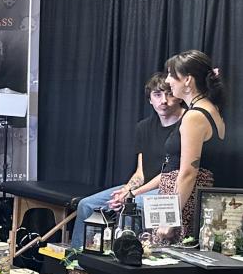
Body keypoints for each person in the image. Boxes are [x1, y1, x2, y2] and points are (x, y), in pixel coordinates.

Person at [70, 73, 184, 251]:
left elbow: (171, 173)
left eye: (169, 94)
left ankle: (129, 256)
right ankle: (77, 260)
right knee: (87, 205)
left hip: (170, 188)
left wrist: (132, 194)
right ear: (150, 100)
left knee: (134, 206)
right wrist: (126, 190)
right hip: (143, 188)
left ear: (179, 96)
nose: (164, 101)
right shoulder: (144, 127)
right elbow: (141, 171)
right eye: (157, 95)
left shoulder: (186, 124)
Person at [161, 50, 227, 237]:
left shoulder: (195, 116)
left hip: (185, 203)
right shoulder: (211, 110)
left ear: (188, 80)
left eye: (171, 75)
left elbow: (189, 173)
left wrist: (169, 219)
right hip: (186, 199)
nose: (168, 80)